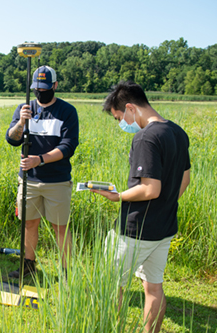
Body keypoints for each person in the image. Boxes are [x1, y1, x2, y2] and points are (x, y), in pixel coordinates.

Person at [93, 81, 191, 333]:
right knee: (154, 286)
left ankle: (110, 328)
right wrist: (167, 204)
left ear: (130, 108)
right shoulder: (177, 132)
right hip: (165, 227)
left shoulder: (145, 138)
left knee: (110, 283)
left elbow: (150, 189)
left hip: (135, 229)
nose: (121, 124)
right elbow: (185, 178)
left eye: (118, 118)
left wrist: (118, 196)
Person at [5, 66, 79, 279]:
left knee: (60, 227)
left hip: (57, 181)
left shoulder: (67, 111)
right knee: (29, 223)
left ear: (55, 86)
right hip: (28, 180)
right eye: (37, 88)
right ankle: (28, 264)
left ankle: (66, 272)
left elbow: (68, 146)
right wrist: (21, 122)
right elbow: (11, 139)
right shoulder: (24, 109)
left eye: (45, 88)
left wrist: (40, 160)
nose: (41, 92)